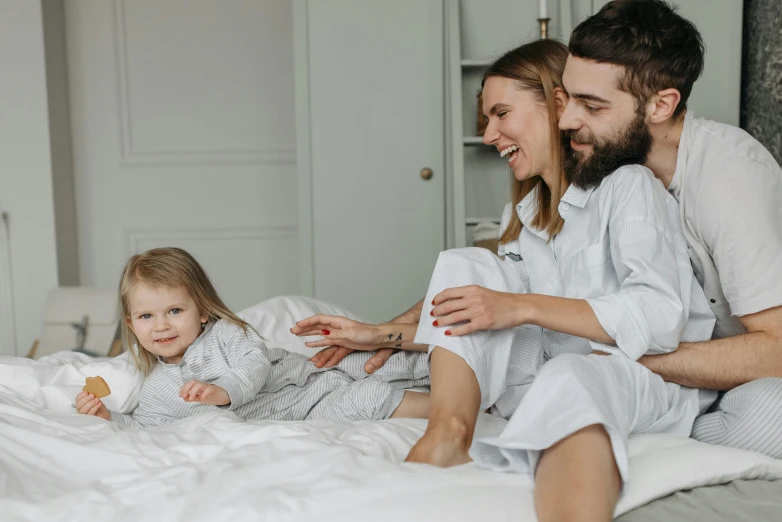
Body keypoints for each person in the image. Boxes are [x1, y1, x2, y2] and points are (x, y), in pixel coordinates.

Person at [297, 0, 782, 462]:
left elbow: (772, 349)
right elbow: (488, 285)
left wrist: (605, 353)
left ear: (659, 106)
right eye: (566, 98)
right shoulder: (599, 173)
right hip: (649, 364)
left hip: (719, 373)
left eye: (588, 104)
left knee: (766, 415)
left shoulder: (722, 179)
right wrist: (384, 332)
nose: (567, 117)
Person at [75, 247, 431, 427]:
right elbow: (144, 428)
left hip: (307, 373)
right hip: (308, 411)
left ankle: (465, 369)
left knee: (383, 359)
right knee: (371, 396)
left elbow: (254, 361)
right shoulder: (158, 390)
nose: (162, 326)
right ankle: (457, 407)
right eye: (146, 317)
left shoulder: (226, 333)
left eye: (175, 311)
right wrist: (108, 418)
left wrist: (223, 392)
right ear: (132, 324)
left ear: (201, 310)